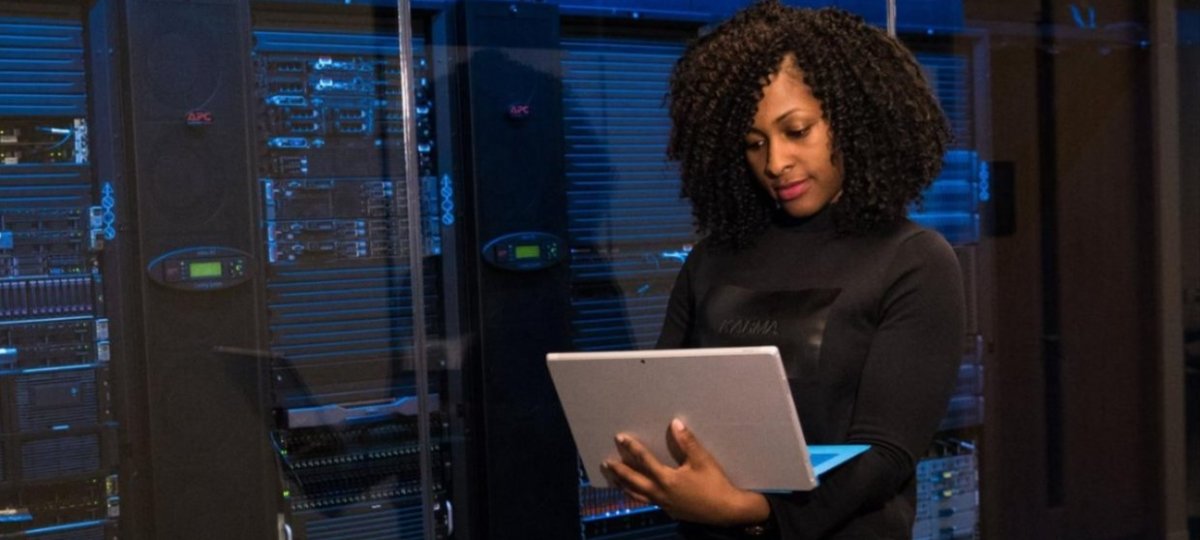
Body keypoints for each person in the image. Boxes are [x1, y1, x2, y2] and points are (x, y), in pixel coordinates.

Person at [599, 2, 967, 538]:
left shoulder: (912, 259)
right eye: (754, 143)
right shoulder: (712, 260)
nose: (775, 162)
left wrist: (755, 512)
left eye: (797, 131)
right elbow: (665, 407)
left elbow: (886, 454)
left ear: (854, 120)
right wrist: (649, 465)